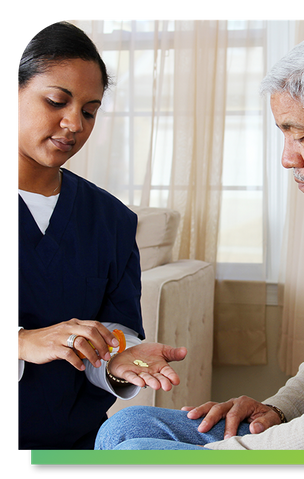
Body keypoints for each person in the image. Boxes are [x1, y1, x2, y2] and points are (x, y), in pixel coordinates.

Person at [95, 26, 304, 450]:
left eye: (299, 134)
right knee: (124, 428)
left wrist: (220, 454)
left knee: (136, 451)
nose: (287, 157)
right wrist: (275, 411)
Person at [15, 20, 187, 451]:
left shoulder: (111, 220)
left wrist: (116, 359)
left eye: (89, 111)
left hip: (77, 442)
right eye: (57, 101)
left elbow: (115, 331)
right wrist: (22, 342)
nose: (74, 123)